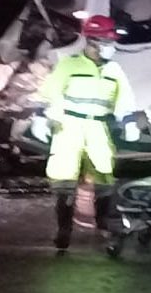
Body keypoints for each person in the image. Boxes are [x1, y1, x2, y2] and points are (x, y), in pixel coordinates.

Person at [31, 15, 139, 253]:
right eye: (107, 41)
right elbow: (49, 92)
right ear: (92, 41)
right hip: (69, 127)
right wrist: (40, 117)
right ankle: (64, 230)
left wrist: (129, 122)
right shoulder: (69, 64)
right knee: (64, 180)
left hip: (98, 128)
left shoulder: (114, 69)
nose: (111, 46)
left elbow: (125, 100)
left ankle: (104, 226)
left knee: (104, 178)